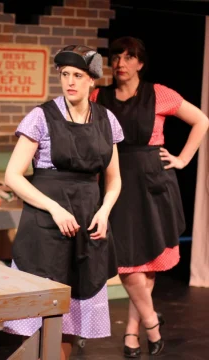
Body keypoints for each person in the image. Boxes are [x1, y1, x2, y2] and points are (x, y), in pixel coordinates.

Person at [90, 36, 209, 357]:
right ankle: (151, 321)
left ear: (140, 63)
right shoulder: (98, 96)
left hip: (154, 181)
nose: (121, 63)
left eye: (129, 57)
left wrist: (183, 159)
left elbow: (201, 120)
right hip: (116, 181)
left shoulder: (159, 93)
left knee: (148, 261)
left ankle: (131, 331)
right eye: (116, 57)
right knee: (127, 262)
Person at [3, 45, 123, 360]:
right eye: (65, 74)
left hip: (88, 221)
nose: (70, 81)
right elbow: (13, 176)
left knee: (71, 311)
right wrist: (54, 208)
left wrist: (105, 211)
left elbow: (114, 179)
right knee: (41, 308)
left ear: (92, 81)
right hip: (46, 223)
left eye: (78, 76)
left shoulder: (106, 119)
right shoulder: (41, 116)